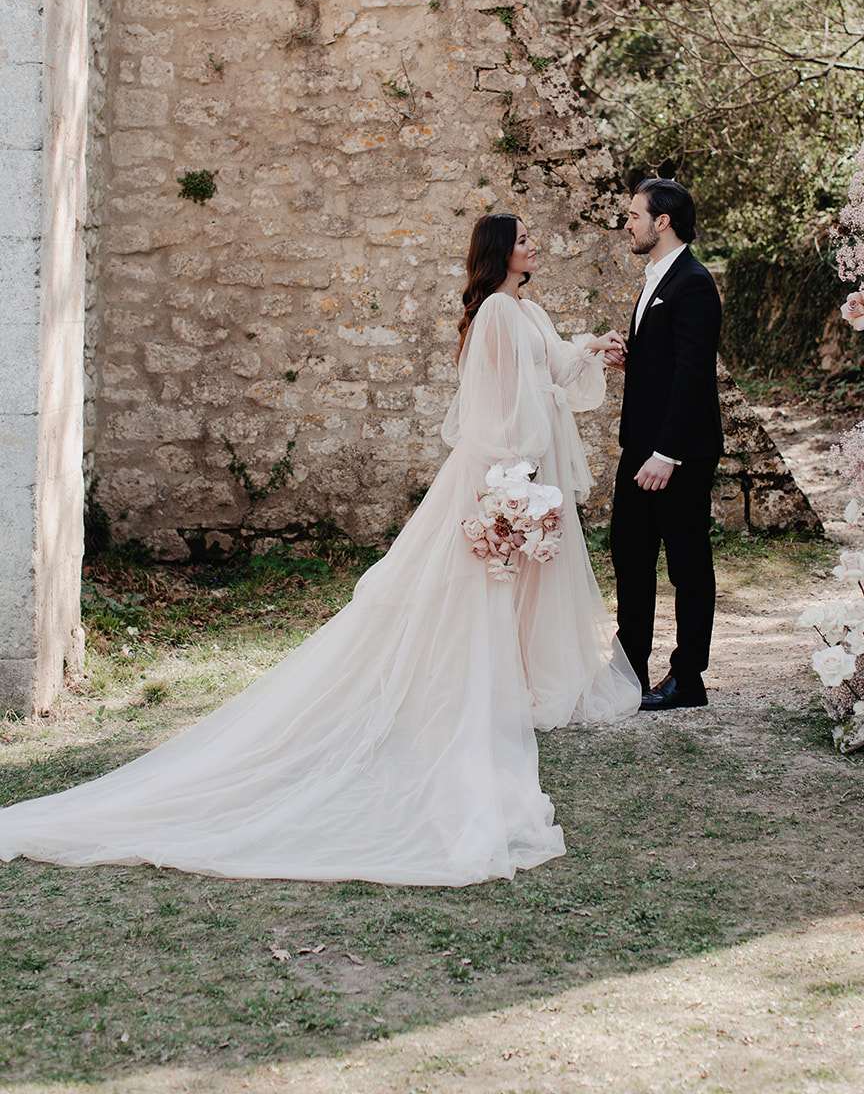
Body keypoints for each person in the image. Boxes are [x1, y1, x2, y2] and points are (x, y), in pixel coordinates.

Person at [0, 214, 640, 887]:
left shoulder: (522, 309)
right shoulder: (499, 315)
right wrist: (512, 479)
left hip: (508, 472)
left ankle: (501, 687)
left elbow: (547, 371)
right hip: (496, 474)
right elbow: (498, 408)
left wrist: (591, 349)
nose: (533, 244)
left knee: (486, 589)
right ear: (499, 253)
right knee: (470, 590)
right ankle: (459, 697)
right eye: (523, 238)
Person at [607, 179, 723, 711]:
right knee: (629, 557)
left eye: (634, 215)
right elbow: (667, 360)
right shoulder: (656, 277)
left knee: (686, 565)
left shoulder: (693, 283)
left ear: (664, 222)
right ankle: (629, 670)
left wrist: (667, 454)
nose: (627, 223)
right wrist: (631, 357)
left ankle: (687, 679)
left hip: (678, 454)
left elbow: (694, 374)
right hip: (641, 446)